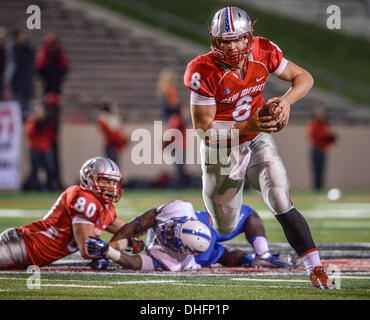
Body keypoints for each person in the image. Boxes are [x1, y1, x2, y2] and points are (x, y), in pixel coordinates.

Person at [183, 7, 334, 289]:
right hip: (221, 149)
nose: (232, 46)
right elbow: (204, 129)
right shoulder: (201, 70)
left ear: (249, 37)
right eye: (225, 41)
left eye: (238, 39)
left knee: (279, 197)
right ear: (214, 41)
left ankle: (316, 269)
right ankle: (191, 222)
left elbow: (304, 77)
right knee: (223, 226)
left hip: (256, 140)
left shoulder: (263, 51)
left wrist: (287, 101)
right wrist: (251, 123)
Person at [0, 157, 141, 270]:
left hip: (29, 257)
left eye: (114, 182)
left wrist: (155, 226)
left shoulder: (107, 210)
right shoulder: (84, 198)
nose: (111, 187)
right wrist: (124, 244)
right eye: (105, 180)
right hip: (22, 246)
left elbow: (132, 229)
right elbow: (87, 249)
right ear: (89, 179)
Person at [86, 200, 296, 272]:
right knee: (227, 254)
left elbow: (134, 263)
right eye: (172, 228)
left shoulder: (176, 261)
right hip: (206, 225)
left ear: (180, 249)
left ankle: (262, 255)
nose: (166, 230)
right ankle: (257, 257)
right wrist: (112, 245)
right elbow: (136, 224)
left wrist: (108, 252)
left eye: (171, 236)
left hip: (200, 251)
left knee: (225, 256)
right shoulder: (178, 209)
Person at [23, 102, 58, 191]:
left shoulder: (48, 121)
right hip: (35, 148)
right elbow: (29, 133)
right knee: (35, 169)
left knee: (50, 169)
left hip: (46, 148)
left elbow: (52, 135)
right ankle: (32, 186)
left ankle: (50, 186)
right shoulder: (32, 121)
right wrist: (36, 122)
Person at [7, 30, 35, 122]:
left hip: (26, 86)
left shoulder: (29, 51)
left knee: (25, 112)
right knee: (15, 112)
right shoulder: (12, 50)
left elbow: (32, 69)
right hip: (15, 86)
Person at [307, 107, 336, 190]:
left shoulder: (324, 124)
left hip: (322, 150)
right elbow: (316, 137)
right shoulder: (314, 124)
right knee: (316, 171)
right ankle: (316, 189)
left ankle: (320, 188)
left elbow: (328, 138)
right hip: (316, 149)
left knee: (322, 170)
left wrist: (329, 140)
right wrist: (327, 138)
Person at [97, 101, 128, 167]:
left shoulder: (111, 118)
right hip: (111, 145)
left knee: (114, 166)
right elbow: (112, 134)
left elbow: (117, 132)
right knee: (112, 166)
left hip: (114, 145)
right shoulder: (104, 118)